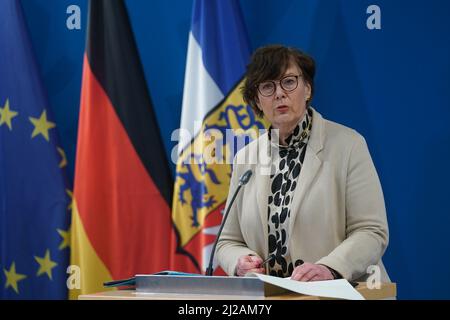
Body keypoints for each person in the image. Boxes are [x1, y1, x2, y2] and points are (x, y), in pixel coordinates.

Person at [216, 45, 390, 282]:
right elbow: (227, 240)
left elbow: (372, 231)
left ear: (307, 89)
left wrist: (330, 268)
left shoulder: (348, 146)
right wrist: (241, 261)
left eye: (288, 82)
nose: (279, 93)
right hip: (271, 297)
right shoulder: (245, 158)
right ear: (257, 100)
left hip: (341, 293)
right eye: (267, 86)